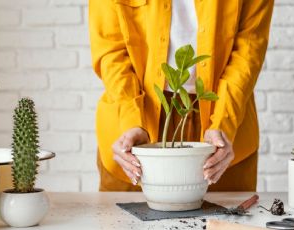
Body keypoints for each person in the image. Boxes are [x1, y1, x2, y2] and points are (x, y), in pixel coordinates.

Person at [89, 0, 274, 191]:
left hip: (223, 121)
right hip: (135, 120)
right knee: (123, 218)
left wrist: (223, 122)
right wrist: (132, 120)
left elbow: (249, 51)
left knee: (226, 216)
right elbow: (111, 52)